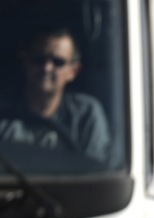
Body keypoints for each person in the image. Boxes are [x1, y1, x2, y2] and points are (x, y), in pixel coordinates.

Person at [0, 25, 110, 163]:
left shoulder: (86, 115)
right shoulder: (3, 116)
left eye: (58, 62)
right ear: (26, 61)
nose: (46, 68)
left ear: (73, 71)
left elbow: (95, 171)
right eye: (39, 59)